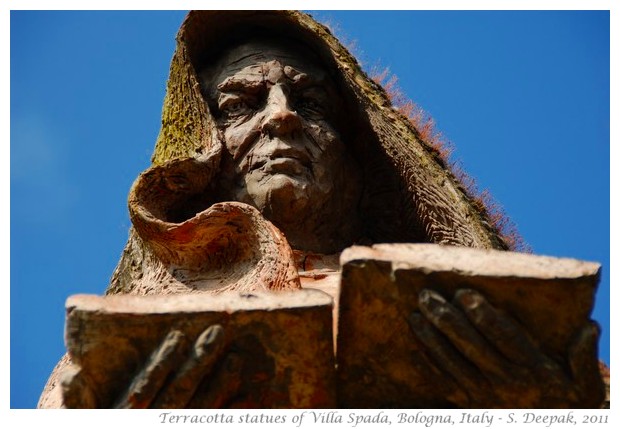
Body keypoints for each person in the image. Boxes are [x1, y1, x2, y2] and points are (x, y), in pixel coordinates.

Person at [38, 11, 604, 409]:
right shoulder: (130, 341)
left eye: (311, 102)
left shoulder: (459, 312)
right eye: (241, 104)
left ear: (362, 160)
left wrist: (548, 408)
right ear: (197, 158)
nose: (282, 116)